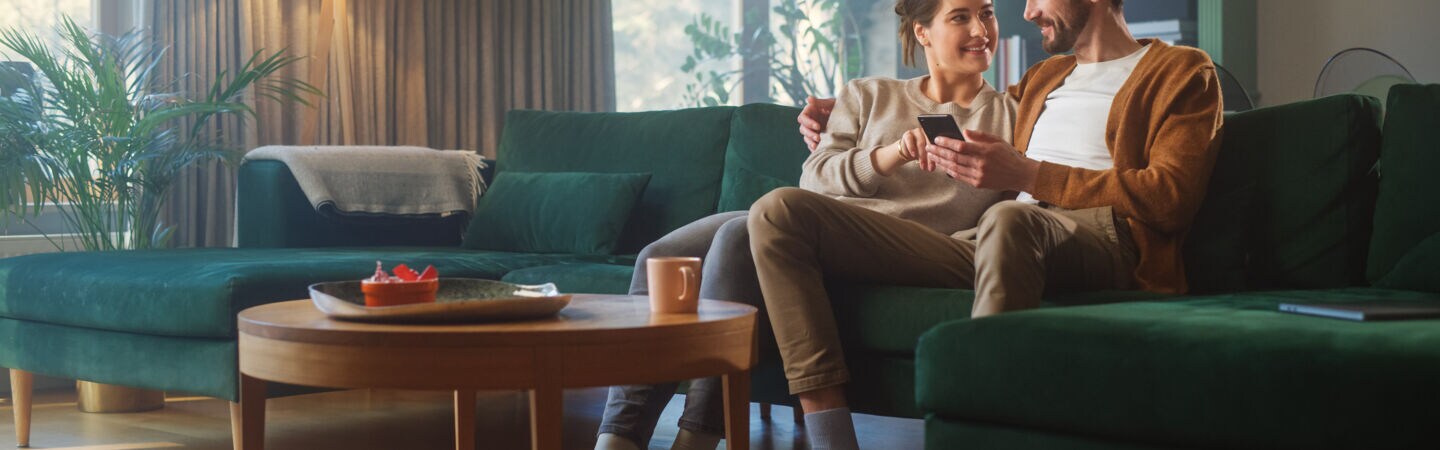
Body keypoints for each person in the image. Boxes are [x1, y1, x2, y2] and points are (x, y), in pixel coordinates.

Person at [769, 0, 1224, 448]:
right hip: (992, 239)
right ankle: (831, 436)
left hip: (1103, 237)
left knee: (1010, 218)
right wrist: (838, 112)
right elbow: (962, 98)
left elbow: (1170, 198)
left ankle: (972, 432)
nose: (1027, 13)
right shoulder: (1043, 78)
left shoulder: (1182, 71)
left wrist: (1028, 175)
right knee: (781, 211)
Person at [595, 0, 1017, 449]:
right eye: (961, 16)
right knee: (660, 257)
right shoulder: (867, 94)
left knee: (739, 236)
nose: (981, 29)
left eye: (987, 13)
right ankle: (619, 437)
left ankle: (697, 435)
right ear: (922, 32)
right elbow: (814, 177)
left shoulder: (1011, 114)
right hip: (814, 220)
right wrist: (890, 155)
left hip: (901, 243)